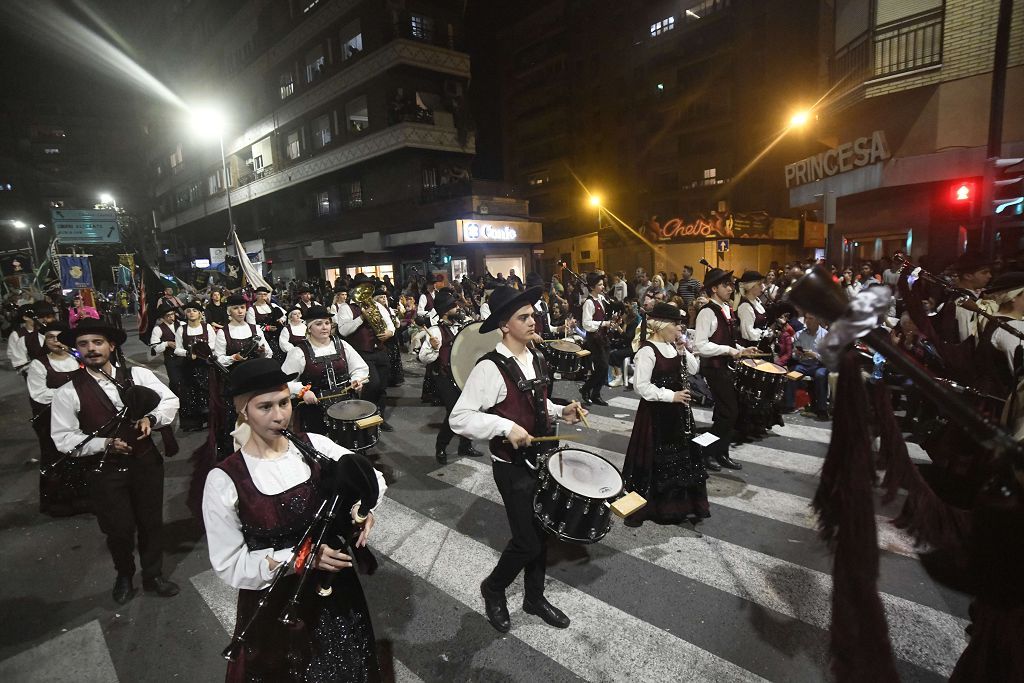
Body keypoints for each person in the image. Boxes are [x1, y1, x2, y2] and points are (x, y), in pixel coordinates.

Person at [202, 358, 385, 681]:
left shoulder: (315, 445)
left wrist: (363, 508)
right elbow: (229, 563)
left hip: (336, 590)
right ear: (243, 411)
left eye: (284, 402)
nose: (279, 415)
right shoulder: (225, 479)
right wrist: (301, 558)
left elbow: (368, 476)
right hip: (276, 601)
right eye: (265, 407)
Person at [450, 285, 586, 634]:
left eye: (533, 314)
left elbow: (537, 404)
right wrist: (504, 426)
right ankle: (493, 588)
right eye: (523, 317)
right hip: (511, 467)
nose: (532, 320)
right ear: (504, 326)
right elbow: (459, 418)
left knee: (541, 532)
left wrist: (562, 411)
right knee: (526, 540)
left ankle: (534, 597)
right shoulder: (490, 368)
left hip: (543, 460)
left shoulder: (536, 357)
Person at [50, 318, 180, 603]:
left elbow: (170, 401)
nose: (91, 349)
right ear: (77, 351)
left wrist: (151, 418)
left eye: (97, 342)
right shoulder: (68, 391)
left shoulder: (138, 376)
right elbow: (63, 438)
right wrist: (104, 443)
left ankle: (153, 574)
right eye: (83, 344)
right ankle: (124, 573)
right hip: (105, 471)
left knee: (150, 522)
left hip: (146, 463)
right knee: (118, 529)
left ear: (111, 345)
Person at [622, 303, 708, 526]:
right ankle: (657, 506)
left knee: (681, 458)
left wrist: (683, 349)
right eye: (675, 324)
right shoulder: (647, 350)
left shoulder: (673, 345)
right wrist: (671, 396)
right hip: (656, 414)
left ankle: (680, 504)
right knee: (656, 459)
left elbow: (693, 369)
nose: (679, 329)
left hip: (678, 413)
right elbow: (640, 386)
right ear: (660, 325)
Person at [693, 268, 760, 470]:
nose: (731, 288)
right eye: (726, 285)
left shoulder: (726, 308)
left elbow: (726, 340)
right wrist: (730, 350)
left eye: (731, 284)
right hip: (714, 369)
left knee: (726, 413)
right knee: (730, 413)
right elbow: (700, 345)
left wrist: (741, 349)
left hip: (724, 367)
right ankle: (701, 450)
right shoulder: (707, 312)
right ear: (714, 289)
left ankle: (720, 453)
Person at [28, 322, 90, 516]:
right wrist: (70, 395)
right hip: (51, 418)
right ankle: (59, 503)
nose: (55, 340)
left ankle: (84, 498)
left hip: (79, 415)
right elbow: (39, 394)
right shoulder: (39, 364)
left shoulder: (76, 358)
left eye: (59, 336)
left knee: (81, 453)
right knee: (55, 457)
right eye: (50, 337)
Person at [281, 305, 369, 436]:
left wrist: (356, 380)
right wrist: (303, 391)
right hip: (314, 410)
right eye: (319, 324)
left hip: (346, 406)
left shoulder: (342, 345)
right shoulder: (299, 352)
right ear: (309, 328)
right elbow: (285, 381)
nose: (325, 327)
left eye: (327, 323)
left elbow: (360, 368)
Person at [418, 290, 483, 463]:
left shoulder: (462, 325)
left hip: (465, 375)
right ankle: (441, 446)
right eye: (454, 306)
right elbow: (423, 358)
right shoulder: (435, 331)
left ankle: (465, 445)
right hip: (445, 377)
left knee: (470, 409)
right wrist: (433, 347)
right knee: (455, 412)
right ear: (446, 310)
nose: (458, 308)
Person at [214, 294, 273, 458]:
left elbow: (269, 353)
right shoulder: (223, 333)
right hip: (235, 381)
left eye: (242, 307)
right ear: (229, 311)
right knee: (237, 416)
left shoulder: (255, 329)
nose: (240, 311)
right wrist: (234, 358)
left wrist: (262, 351)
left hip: (256, 379)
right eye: (235, 308)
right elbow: (218, 359)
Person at [336, 275, 395, 432]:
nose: (365, 291)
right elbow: (343, 330)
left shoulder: (377, 305)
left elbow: (390, 323)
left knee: (382, 387)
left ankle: (379, 417)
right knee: (372, 384)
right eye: (362, 287)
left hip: (380, 350)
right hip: (361, 353)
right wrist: (363, 317)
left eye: (368, 287)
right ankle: (365, 416)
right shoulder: (346, 308)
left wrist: (390, 332)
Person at [174, 300, 216, 432]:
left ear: (200, 314)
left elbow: (214, 345)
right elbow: (177, 349)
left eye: (194, 311)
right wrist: (188, 353)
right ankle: (194, 423)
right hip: (188, 366)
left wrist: (203, 352)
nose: (191, 313)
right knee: (191, 394)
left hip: (206, 365)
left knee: (208, 392)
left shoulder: (207, 327)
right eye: (188, 311)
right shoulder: (181, 329)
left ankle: (211, 420)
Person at [781, 313, 831, 420]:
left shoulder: (825, 336)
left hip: (819, 365)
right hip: (803, 364)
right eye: (806, 318)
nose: (807, 321)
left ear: (818, 320)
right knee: (792, 375)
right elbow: (793, 355)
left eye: (811, 319)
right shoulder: (799, 334)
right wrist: (797, 354)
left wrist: (815, 355)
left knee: (820, 375)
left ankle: (822, 408)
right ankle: (789, 405)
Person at [580, 272, 619, 406]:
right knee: (601, 367)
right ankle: (585, 389)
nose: (603, 287)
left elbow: (605, 315)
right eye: (599, 285)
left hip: (604, 337)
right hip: (594, 340)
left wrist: (610, 321)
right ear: (592, 287)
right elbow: (586, 324)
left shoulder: (602, 299)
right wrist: (603, 324)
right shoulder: (588, 303)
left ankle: (596, 394)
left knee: (604, 367)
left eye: (603, 284)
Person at [150, 303, 184, 399]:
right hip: (171, 359)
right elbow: (155, 348)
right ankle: (175, 399)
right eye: (168, 315)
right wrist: (167, 344)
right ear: (163, 317)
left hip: (184, 357)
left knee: (185, 380)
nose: (171, 317)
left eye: (172, 314)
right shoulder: (158, 329)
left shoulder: (181, 324)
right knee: (174, 381)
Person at [245, 286, 285, 359]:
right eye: (260, 294)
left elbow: (286, 314)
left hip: (277, 336)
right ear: (256, 295)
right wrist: (266, 328)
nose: (262, 296)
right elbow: (252, 327)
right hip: (263, 337)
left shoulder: (273, 306)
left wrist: (281, 319)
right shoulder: (252, 309)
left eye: (265, 294)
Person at [7, 303, 44, 377]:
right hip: (32, 373)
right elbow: (11, 354)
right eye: (36, 316)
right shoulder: (17, 335)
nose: (40, 319)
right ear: (25, 317)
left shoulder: (44, 331)